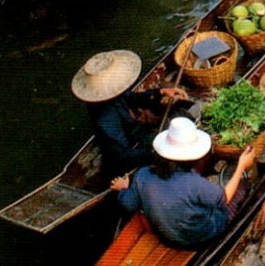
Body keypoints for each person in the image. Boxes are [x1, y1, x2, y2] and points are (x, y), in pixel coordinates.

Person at [110, 117, 256, 249]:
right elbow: (225, 198)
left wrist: (123, 188)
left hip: (168, 238)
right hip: (202, 237)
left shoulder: (143, 174)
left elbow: (128, 204)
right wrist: (241, 166)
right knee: (240, 188)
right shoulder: (193, 183)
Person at [71, 50, 188, 178]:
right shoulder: (105, 119)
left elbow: (131, 98)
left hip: (133, 137)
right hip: (128, 154)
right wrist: (157, 153)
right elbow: (122, 156)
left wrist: (161, 92)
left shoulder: (113, 92)